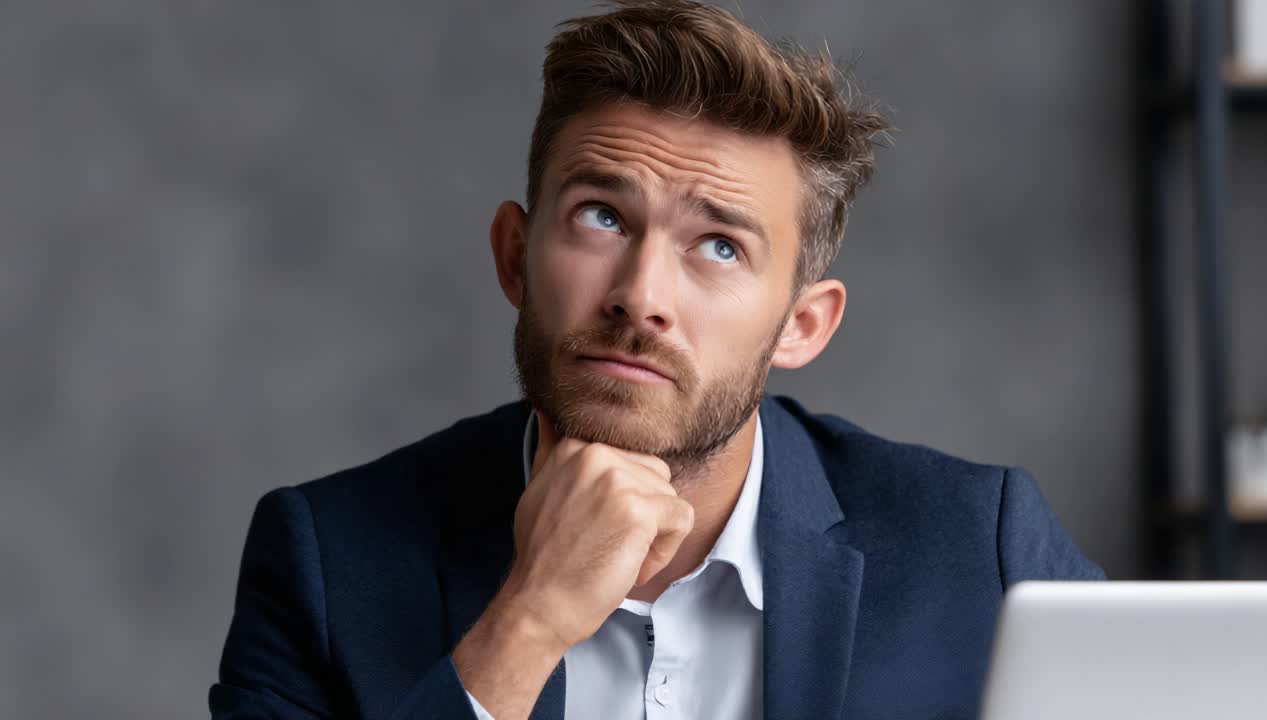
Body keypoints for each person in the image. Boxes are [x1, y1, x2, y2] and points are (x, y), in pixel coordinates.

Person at [210, 2, 1104, 718]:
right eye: (602, 216)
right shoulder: (328, 559)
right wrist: (527, 624)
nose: (641, 296)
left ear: (801, 325)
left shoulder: (978, 549)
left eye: (719, 246)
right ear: (515, 257)